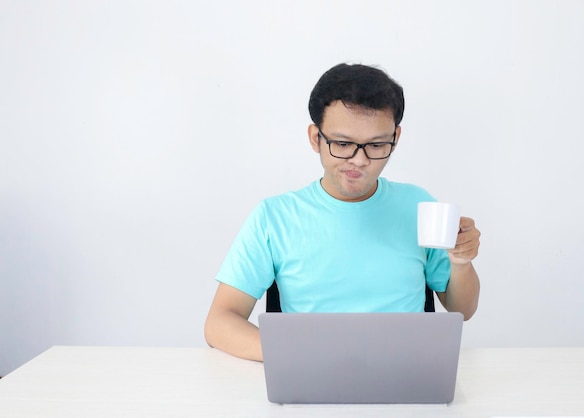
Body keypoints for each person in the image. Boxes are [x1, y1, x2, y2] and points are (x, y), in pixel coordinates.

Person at [204, 63, 480, 362]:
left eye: (376, 145)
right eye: (343, 144)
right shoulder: (275, 217)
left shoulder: (419, 206)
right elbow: (219, 323)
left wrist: (461, 262)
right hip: (310, 371)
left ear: (395, 139)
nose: (359, 160)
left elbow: (461, 310)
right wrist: (295, 354)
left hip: (403, 370)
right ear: (315, 138)